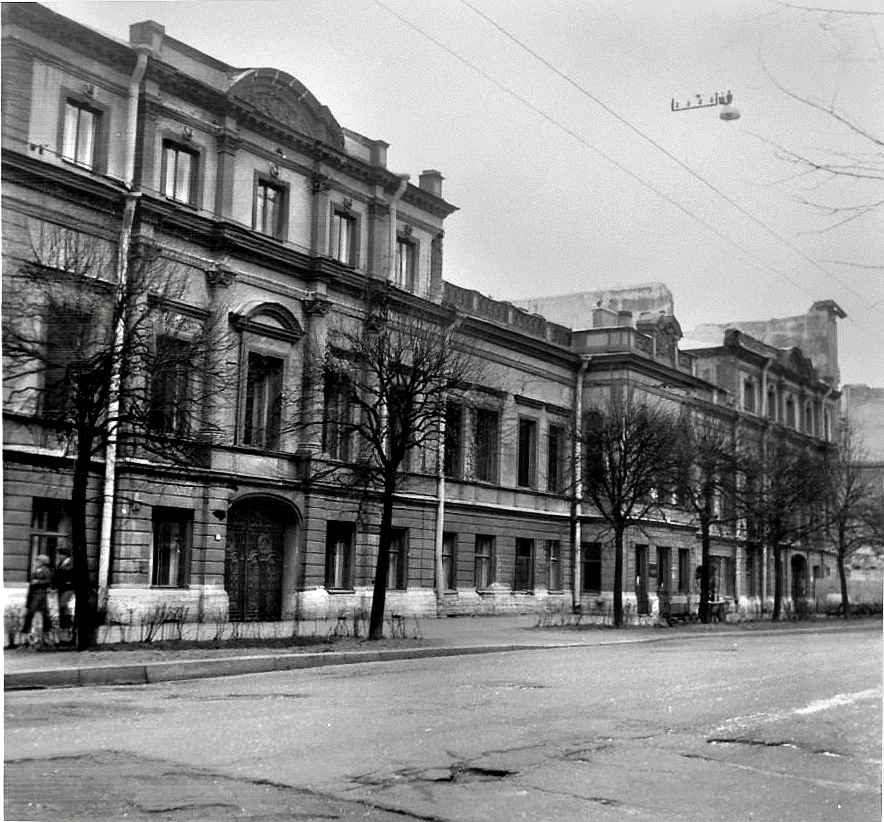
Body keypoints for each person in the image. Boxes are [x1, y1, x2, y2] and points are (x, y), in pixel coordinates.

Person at [22, 553, 53, 642]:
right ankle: (28, 632)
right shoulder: (36, 569)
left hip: (40, 593)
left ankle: (45, 632)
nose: (36, 562)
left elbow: (48, 582)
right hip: (33, 593)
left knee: (35, 612)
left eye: (38, 560)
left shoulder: (46, 570)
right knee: (36, 613)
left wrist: (38, 582)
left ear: (43, 562)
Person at [53, 547, 75, 637]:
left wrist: (69, 582)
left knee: (63, 605)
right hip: (61, 588)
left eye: (60, 555)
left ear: (65, 555)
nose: (59, 556)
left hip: (69, 588)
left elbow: (74, 576)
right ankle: (64, 626)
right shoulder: (60, 564)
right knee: (61, 607)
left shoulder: (71, 564)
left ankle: (69, 625)